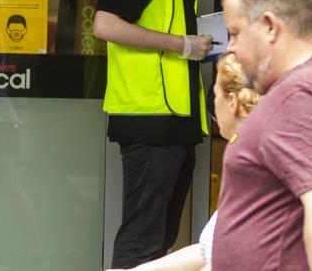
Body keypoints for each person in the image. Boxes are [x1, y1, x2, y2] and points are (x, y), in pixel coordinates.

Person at [92, 0, 213, 267]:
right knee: (142, 240)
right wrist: (181, 44)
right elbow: (106, 24)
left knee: (159, 239)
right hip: (150, 114)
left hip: (175, 116)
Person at [212, 0, 312, 270]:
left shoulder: (301, 93)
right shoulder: (303, 87)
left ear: (270, 26)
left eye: (235, 33)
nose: (230, 49)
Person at [106, 53, 262, 271]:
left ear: (232, 103)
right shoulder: (253, 157)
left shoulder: (254, 165)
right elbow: (209, 250)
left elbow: (222, 259)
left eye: (215, 94)